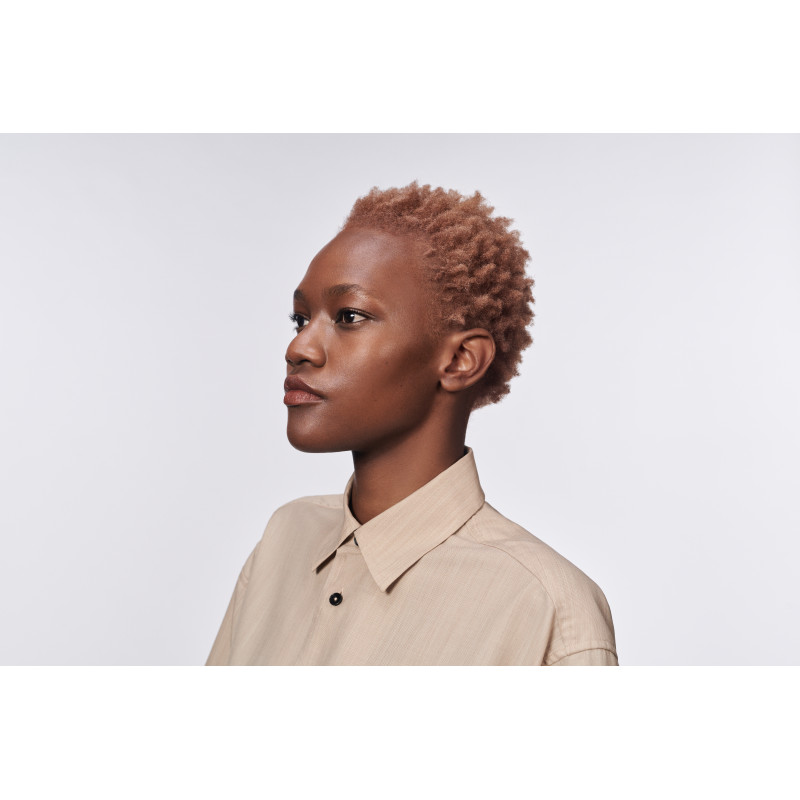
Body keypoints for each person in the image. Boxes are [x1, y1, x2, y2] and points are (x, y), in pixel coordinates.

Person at [206, 182, 617, 666]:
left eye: (349, 316)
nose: (299, 348)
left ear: (460, 359)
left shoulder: (546, 608)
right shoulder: (286, 537)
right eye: (300, 320)